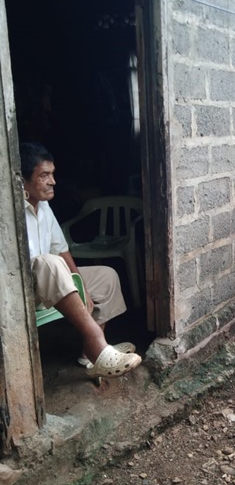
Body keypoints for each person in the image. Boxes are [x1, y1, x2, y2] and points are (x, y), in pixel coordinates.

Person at [20, 142, 141, 378]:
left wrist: (80, 284)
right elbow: (49, 261)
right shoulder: (11, 210)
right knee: (48, 262)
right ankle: (97, 343)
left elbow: (61, 248)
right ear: (22, 181)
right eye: (44, 175)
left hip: (53, 280)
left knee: (106, 276)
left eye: (52, 174)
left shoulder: (44, 206)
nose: (53, 181)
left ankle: (92, 356)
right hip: (24, 290)